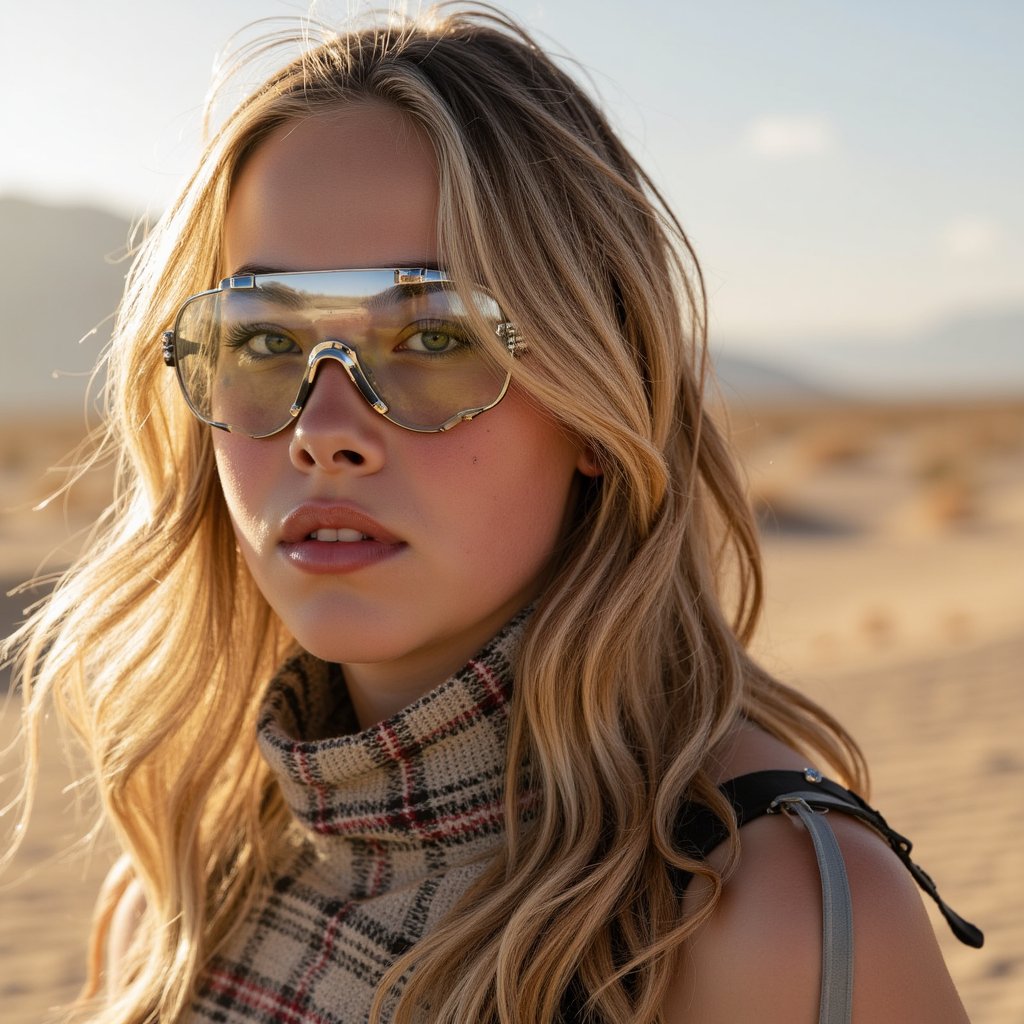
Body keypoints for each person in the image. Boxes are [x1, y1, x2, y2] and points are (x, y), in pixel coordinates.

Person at [4, 5, 981, 1022]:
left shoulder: (762, 918)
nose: (323, 429)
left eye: (432, 339)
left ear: (599, 406)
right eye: (260, 341)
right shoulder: (181, 886)